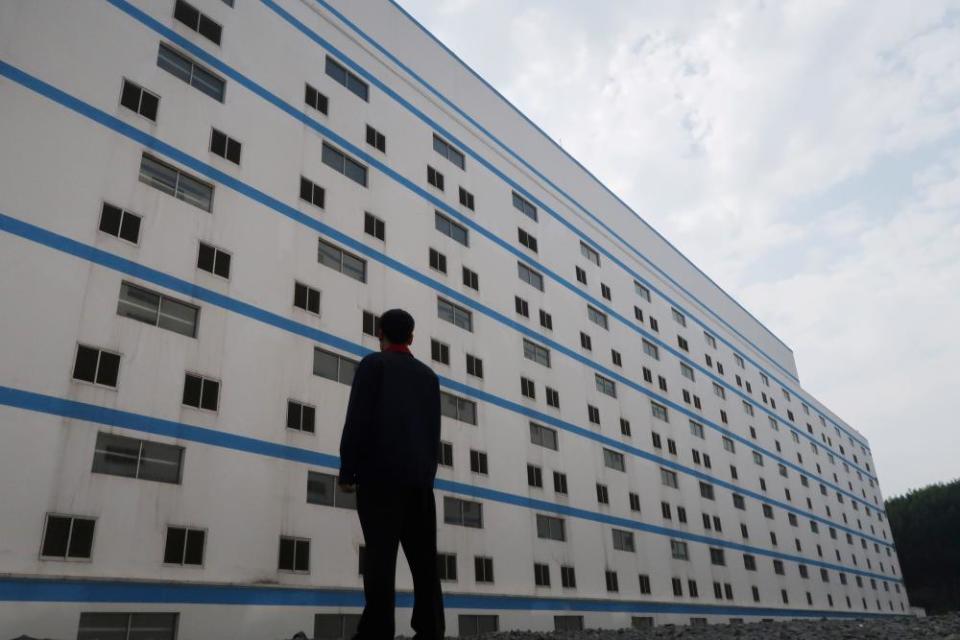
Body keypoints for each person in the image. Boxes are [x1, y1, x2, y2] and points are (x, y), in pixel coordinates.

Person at [338, 308, 445, 640]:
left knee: (381, 558)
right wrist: (427, 473)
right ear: (412, 337)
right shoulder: (428, 376)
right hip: (418, 482)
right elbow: (432, 430)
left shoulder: (373, 366)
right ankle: (430, 630)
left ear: (379, 332)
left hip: (379, 479)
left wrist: (347, 470)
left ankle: (376, 632)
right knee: (424, 562)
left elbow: (357, 420)